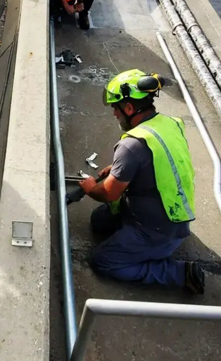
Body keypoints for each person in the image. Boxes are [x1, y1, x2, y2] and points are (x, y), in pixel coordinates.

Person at [78, 69, 205, 292]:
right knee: (98, 222)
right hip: (170, 217)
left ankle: (179, 273)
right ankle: (137, 242)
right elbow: (157, 161)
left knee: (102, 260)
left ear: (128, 108)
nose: (114, 114)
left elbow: (108, 194)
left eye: (115, 109)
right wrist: (122, 170)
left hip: (157, 232)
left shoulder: (131, 145)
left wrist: (90, 189)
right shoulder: (170, 123)